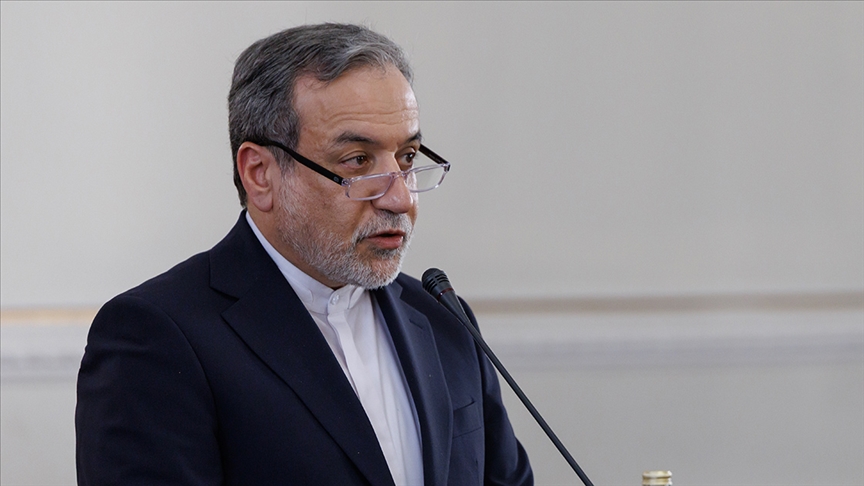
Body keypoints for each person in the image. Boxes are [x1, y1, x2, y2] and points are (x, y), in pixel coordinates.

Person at [75, 23, 532, 485]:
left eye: (408, 157)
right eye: (358, 161)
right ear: (260, 174)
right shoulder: (155, 337)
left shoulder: (443, 319)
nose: (400, 198)